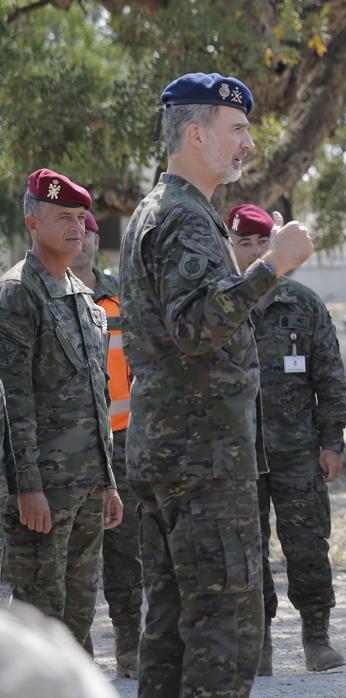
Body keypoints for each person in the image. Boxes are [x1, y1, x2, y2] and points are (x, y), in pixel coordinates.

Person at [119, 72, 314, 696]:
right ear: (196, 133)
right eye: (236, 130)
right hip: (202, 456)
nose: (248, 145)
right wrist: (272, 267)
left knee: (172, 628)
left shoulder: (166, 210)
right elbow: (198, 327)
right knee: (224, 630)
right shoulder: (182, 216)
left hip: (177, 450)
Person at [226, 203, 346, 674]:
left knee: (306, 543)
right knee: (246, 549)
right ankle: (258, 643)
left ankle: (316, 636)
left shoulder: (303, 304)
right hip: (237, 455)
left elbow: (330, 377)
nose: (256, 252)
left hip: (297, 452)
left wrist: (332, 441)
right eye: (246, 244)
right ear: (232, 249)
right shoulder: (222, 307)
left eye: (264, 243)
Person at [0, 169, 122, 652]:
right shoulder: (17, 294)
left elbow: (98, 397)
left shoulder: (85, 299)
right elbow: (14, 400)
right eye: (62, 217)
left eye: (80, 217)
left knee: (77, 616)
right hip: (42, 492)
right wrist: (28, 487)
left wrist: (107, 480)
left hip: (88, 485)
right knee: (37, 617)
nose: (77, 227)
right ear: (33, 222)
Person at [69, 209, 142, 676]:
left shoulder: (119, 298)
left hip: (121, 442)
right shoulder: (41, 294)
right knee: (73, 553)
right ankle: (76, 653)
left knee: (124, 548)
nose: (82, 238)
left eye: (90, 230)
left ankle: (130, 645)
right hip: (69, 446)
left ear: (98, 240)